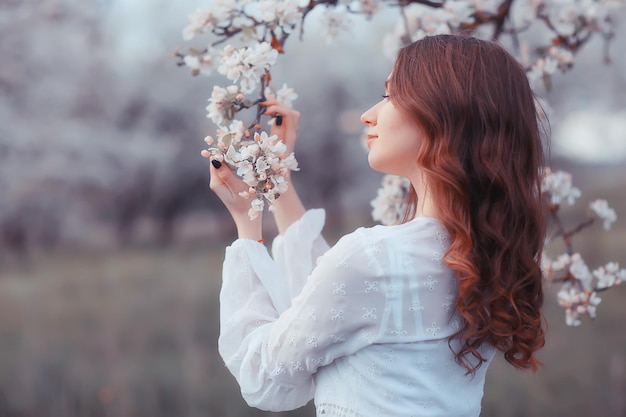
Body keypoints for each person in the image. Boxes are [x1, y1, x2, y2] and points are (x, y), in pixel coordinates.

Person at [208, 34, 546, 417]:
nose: (369, 114)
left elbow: (265, 380)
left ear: (443, 113)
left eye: (389, 96)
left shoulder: (374, 258)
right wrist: (278, 184)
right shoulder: (488, 255)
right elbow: (330, 309)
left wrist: (246, 224)